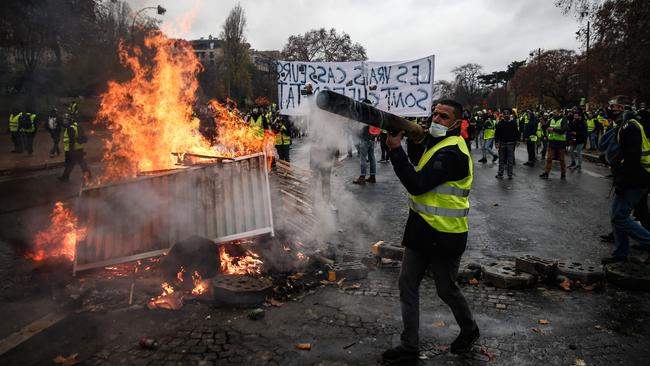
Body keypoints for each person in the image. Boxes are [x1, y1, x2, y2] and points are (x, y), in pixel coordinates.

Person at [381, 99, 479, 364]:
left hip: (446, 234)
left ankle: (469, 329)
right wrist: (409, 141)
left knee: (445, 289)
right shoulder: (438, 144)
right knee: (407, 283)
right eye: (434, 114)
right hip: (422, 230)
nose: (435, 119)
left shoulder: (454, 153)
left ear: (457, 123)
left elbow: (417, 183)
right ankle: (409, 346)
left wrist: (395, 150)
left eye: (443, 117)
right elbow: (419, 160)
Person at [601, 96, 650, 264]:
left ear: (623, 108)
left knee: (619, 217)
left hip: (636, 178)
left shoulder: (630, 126)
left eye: (613, 107)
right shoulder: (624, 125)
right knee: (616, 215)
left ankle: (647, 241)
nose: (610, 110)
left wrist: (622, 179)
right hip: (633, 176)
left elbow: (632, 157)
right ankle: (620, 253)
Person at [58, 115, 91, 182]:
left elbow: (72, 140)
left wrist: (70, 150)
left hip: (72, 149)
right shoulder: (78, 126)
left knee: (70, 164)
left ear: (70, 120)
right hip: (79, 148)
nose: (65, 122)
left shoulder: (70, 128)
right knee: (82, 162)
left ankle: (65, 177)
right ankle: (89, 175)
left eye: (66, 120)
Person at [353, 99, 379, 185]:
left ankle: (362, 177)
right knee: (372, 158)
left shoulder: (365, 114)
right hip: (372, 139)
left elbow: (360, 127)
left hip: (365, 138)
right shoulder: (374, 113)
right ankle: (372, 176)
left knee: (363, 157)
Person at [539, 108, 568, 180]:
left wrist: (553, 129)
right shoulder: (551, 119)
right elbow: (546, 127)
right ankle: (546, 173)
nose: (554, 114)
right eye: (553, 112)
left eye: (555, 112)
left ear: (559, 112)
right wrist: (543, 123)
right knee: (549, 158)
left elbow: (564, 129)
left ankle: (563, 174)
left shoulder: (563, 119)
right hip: (552, 142)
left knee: (561, 160)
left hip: (561, 143)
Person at [494, 109, 519, 179]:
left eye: (507, 114)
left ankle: (510, 174)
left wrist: (518, 141)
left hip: (511, 144)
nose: (506, 115)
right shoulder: (500, 123)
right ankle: (500, 174)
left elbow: (516, 132)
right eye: (504, 114)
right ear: (503, 115)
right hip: (502, 144)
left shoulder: (513, 123)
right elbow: (497, 134)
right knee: (501, 160)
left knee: (510, 161)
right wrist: (496, 142)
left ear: (509, 115)